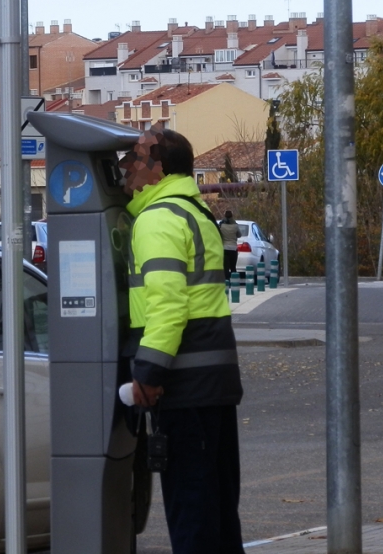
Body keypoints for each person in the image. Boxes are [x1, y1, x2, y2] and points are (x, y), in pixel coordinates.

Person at [119, 126, 244, 554]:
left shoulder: (157, 220)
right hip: (212, 385)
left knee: (192, 514)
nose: (125, 168)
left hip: (185, 387)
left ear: (158, 168)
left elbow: (168, 306)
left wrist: (149, 372)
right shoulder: (194, 213)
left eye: (134, 159)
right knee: (218, 511)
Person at [219, 210, 241, 280]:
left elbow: (219, 235)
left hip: (224, 248)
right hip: (233, 248)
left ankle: (227, 281)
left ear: (225, 216)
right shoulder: (235, 225)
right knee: (233, 267)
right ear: (232, 216)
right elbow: (239, 235)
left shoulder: (221, 225)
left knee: (225, 267)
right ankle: (235, 282)